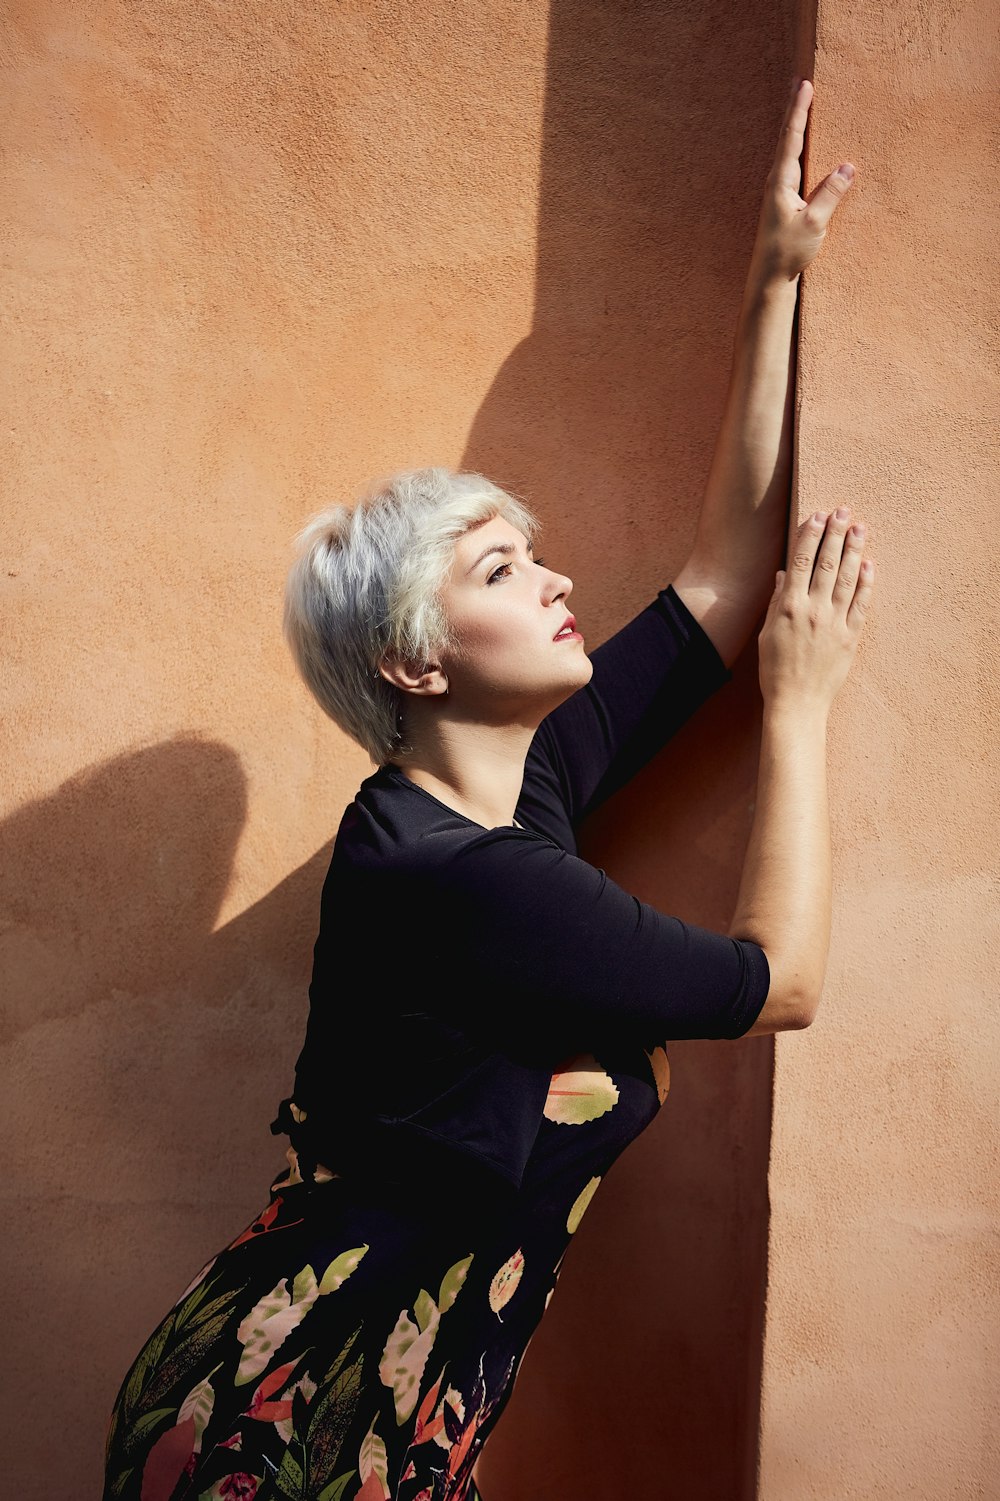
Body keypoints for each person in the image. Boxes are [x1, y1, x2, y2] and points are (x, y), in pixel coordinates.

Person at [102, 79, 873, 1501]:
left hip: (370, 1429)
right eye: (500, 569)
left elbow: (716, 580)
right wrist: (806, 704)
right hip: (282, 1443)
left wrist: (774, 282)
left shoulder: (508, 795)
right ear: (416, 655)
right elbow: (784, 980)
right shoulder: (466, 883)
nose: (558, 576)